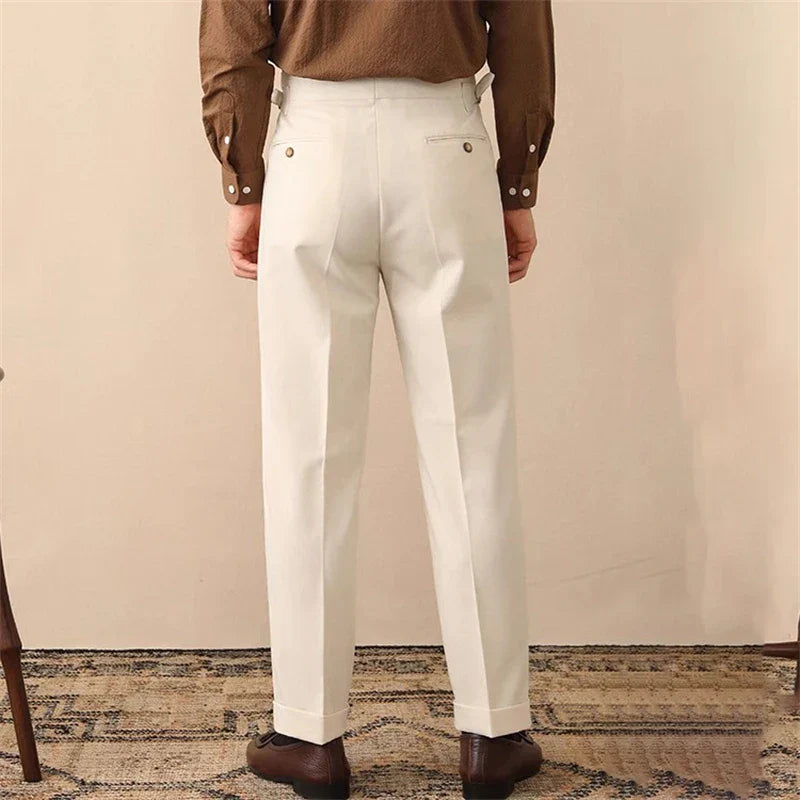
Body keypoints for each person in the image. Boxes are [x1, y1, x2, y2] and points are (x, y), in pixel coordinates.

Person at [199, 2, 555, 798]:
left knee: (309, 455)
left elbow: (234, 36)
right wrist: (517, 182)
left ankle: (308, 736)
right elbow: (522, 29)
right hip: (445, 146)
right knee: (472, 446)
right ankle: (494, 733)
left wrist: (243, 179)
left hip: (313, 150)